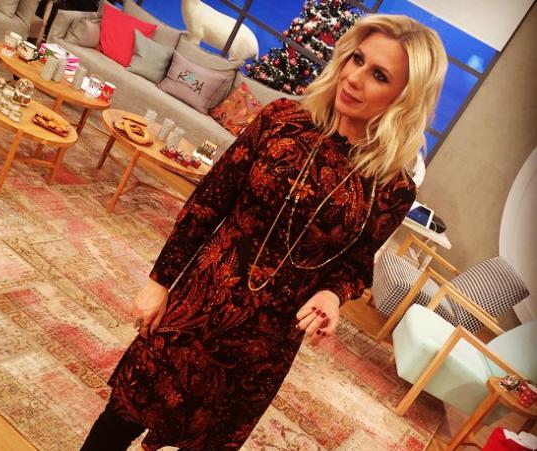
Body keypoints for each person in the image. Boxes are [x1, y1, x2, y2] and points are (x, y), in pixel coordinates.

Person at [81, 13, 447, 451]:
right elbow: (208, 202)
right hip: (197, 303)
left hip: (262, 349)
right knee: (121, 416)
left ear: (405, 98)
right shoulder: (281, 120)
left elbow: (354, 265)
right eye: (357, 59)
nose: (354, 77)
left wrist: (333, 294)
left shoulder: (392, 188)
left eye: (379, 75)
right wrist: (159, 282)